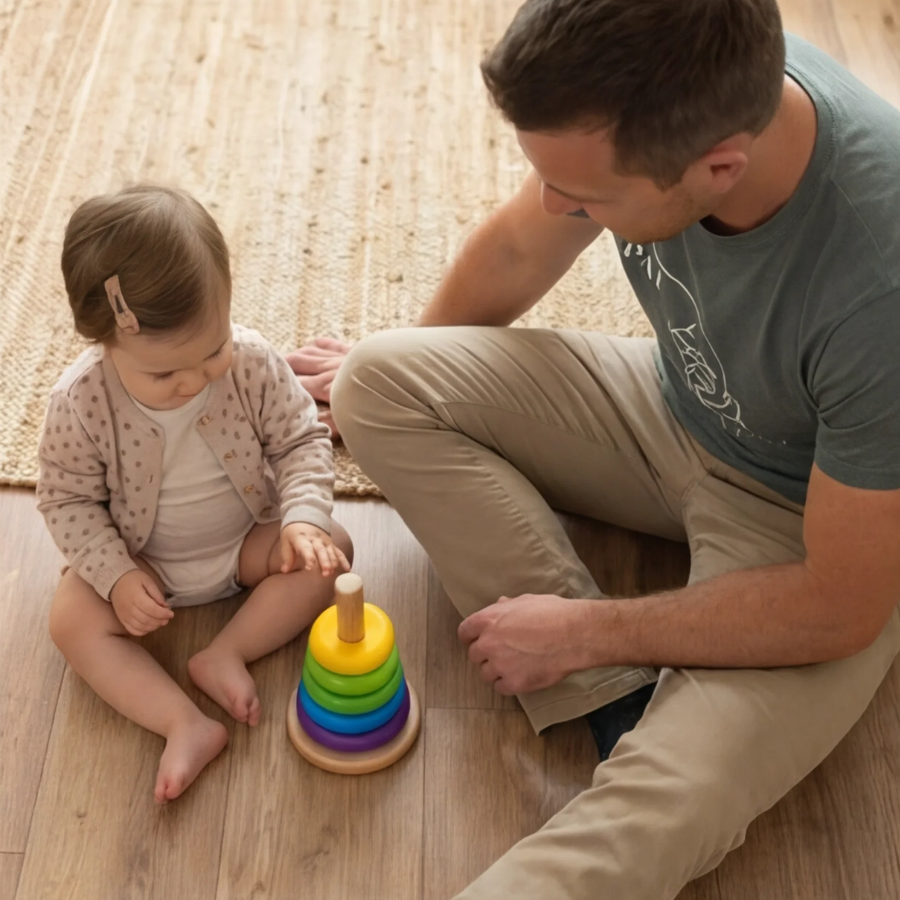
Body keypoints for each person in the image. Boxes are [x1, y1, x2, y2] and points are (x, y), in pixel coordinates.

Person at [289, 0, 900, 896]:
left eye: (588, 197)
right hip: (675, 403)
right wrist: (413, 364)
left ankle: (624, 706)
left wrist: (583, 630)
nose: (557, 205)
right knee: (376, 378)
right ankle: (619, 701)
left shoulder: (880, 287)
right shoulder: (688, 78)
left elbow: (840, 607)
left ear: (719, 166)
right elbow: (515, 251)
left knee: (659, 815)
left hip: (807, 528)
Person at [38, 185, 352, 805]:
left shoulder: (253, 363)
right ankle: (182, 722)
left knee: (331, 550)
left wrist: (302, 518)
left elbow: (300, 440)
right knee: (69, 621)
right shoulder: (80, 402)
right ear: (104, 342)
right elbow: (66, 502)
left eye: (213, 351)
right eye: (163, 373)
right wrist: (116, 577)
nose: (194, 380)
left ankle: (225, 653)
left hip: (246, 540)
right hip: (144, 561)